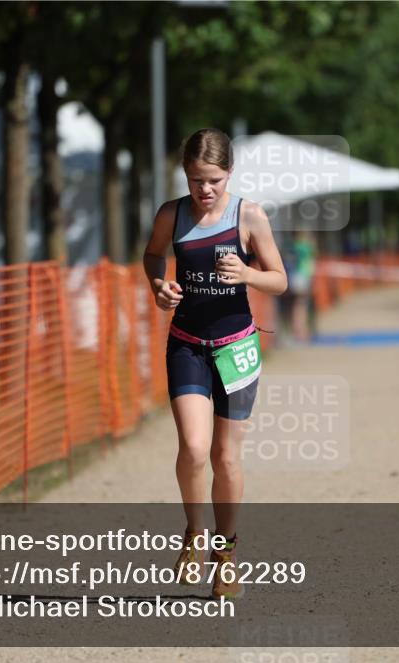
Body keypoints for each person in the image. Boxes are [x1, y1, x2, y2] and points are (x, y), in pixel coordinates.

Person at [142, 128, 287, 598]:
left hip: (236, 347)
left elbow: (280, 280)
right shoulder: (173, 214)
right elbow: (151, 254)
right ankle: (194, 532)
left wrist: (247, 274)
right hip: (186, 343)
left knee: (226, 458)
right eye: (195, 180)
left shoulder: (250, 215)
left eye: (214, 180)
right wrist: (158, 284)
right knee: (195, 449)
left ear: (229, 174)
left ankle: (226, 554)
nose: (204, 190)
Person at [288, 230, 317, 342]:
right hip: (301, 278)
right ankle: (300, 331)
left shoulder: (294, 247)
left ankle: (299, 330)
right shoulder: (303, 247)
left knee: (298, 305)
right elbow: (312, 252)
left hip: (297, 278)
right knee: (301, 306)